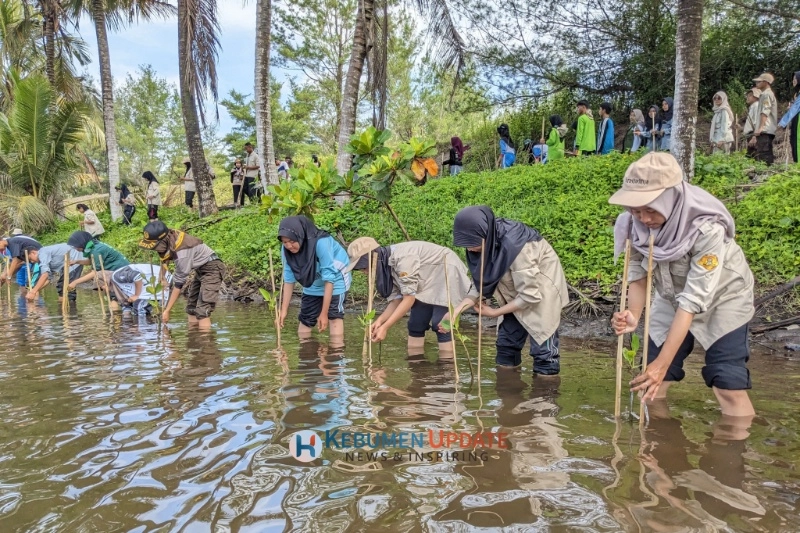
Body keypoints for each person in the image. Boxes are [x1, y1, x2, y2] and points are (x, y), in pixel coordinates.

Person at [609, 152, 756, 417]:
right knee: (651, 381)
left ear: (670, 200)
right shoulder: (633, 225)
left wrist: (663, 364)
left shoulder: (707, 228)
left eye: (650, 209)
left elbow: (693, 300)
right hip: (672, 295)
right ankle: (658, 446)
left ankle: (735, 447)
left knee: (727, 383)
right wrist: (633, 315)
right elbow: (638, 274)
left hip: (724, 298)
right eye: (635, 208)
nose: (643, 218)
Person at [445, 206, 569, 374]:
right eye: (465, 245)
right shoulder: (485, 240)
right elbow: (480, 281)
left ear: (484, 236)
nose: (469, 250)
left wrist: (495, 313)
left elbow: (530, 296)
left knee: (544, 356)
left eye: (472, 244)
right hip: (513, 294)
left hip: (541, 294)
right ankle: (508, 394)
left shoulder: (518, 247)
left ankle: (545, 396)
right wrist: (456, 311)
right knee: (506, 348)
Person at [343, 237, 473, 355]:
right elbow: (396, 300)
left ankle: (447, 370)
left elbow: (409, 300)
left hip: (445, 270)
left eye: (364, 267)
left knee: (441, 324)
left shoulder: (402, 260)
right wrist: (380, 321)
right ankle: (416, 370)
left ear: (372, 259)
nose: (364, 272)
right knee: (415, 324)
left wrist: (385, 327)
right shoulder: (385, 266)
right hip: (424, 281)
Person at [138, 221, 225, 328]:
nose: (153, 249)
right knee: (191, 308)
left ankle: (204, 342)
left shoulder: (182, 253)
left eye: (154, 246)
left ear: (163, 241)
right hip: (200, 270)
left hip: (212, 268)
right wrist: (162, 277)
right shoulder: (170, 237)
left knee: (203, 310)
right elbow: (165, 256)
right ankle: (193, 337)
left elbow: (178, 284)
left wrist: (167, 310)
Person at [277, 216, 351, 342]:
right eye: (284, 242)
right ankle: (307, 356)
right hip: (312, 280)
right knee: (306, 317)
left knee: (334, 316)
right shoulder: (285, 250)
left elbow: (329, 279)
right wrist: (283, 310)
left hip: (336, 278)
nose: (288, 245)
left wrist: (323, 313)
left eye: (292, 241)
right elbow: (289, 280)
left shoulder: (321, 242)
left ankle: (336, 355)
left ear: (300, 236)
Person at [101, 263, 172, 316]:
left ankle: (143, 332)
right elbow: (126, 304)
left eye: (101, 288)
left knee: (138, 309)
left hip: (160, 279)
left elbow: (137, 276)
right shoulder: (117, 287)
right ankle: (149, 331)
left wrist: (136, 295)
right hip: (152, 286)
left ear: (105, 282)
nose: (103, 290)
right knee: (140, 310)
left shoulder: (116, 276)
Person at [752, 72, 778, 165]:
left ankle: (766, 175)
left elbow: (765, 111)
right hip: (765, 130)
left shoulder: (767, 94)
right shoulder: (764, 94)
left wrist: (761, 128)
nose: (757, 83)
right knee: (763, 153)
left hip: (765, 129)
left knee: (764, 154)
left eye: (759, 81)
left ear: (766, 82)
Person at [778, 71, 800, 164]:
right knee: (793, 141)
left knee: (797, 142)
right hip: (796, 120)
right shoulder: (797, 93)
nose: (793, 81)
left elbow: (794, 110)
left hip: (798, 122)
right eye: (793, 78)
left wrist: (782, 123)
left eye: (795, 78)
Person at [742, 88, 762, 159]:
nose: (747, 97)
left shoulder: (756, 106)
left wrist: (754, 137)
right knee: (751, 157)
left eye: (750, 95)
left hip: (753, 136)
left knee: (754, 157)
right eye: (747, 95)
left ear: (756, 97)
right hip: (751, 135)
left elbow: (757, 122)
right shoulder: (753, 107)